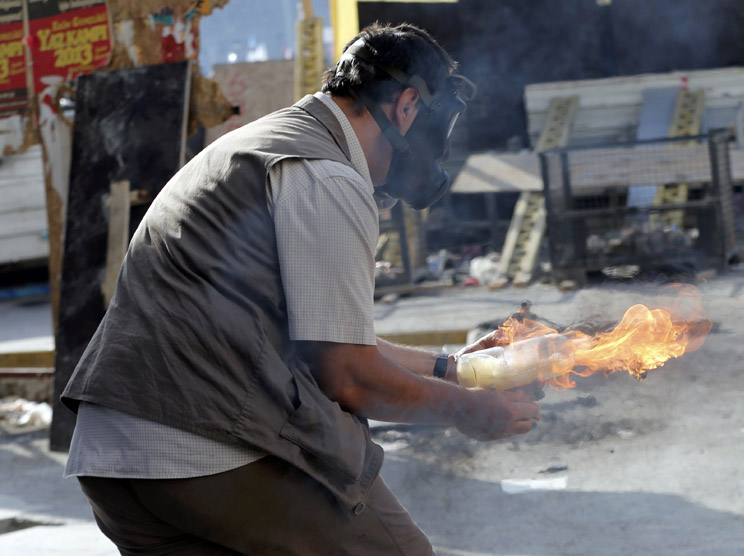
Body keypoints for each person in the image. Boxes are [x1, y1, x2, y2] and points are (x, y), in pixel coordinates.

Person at [61, 22, 540, 556]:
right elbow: (350, 376)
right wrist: (467, 409)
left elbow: (327, 341)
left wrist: (451, 370)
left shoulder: (262, 145)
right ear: (407, 106)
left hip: (113, 458)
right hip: (204, 448)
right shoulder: (328, 176)